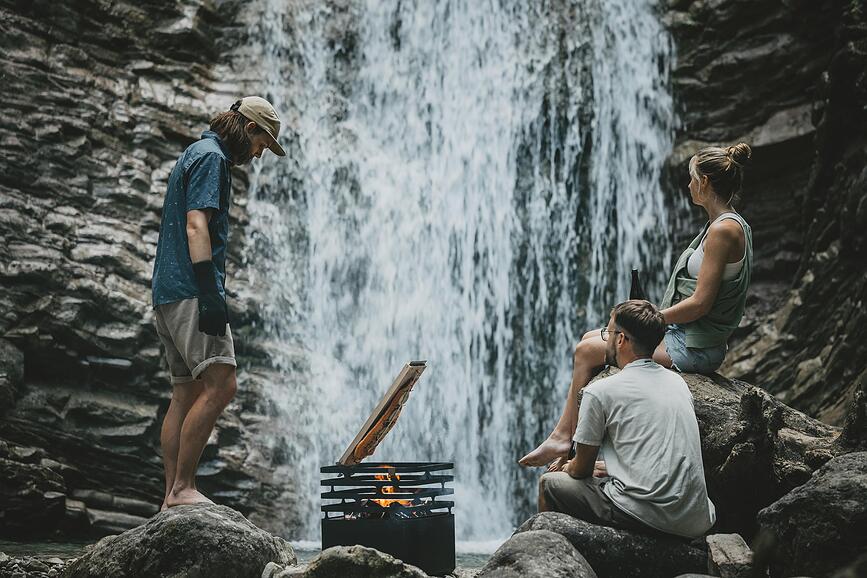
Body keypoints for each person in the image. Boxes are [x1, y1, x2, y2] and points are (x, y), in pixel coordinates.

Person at [520, 142, 753, 468]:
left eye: (692, 178)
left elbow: (701, 303)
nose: (688, 185)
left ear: (705, 183)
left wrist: (650, 318)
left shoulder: (725, 230)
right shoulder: (723, 225)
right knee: (590, 338)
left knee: (587, 351)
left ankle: (567, 442)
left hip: (695, 346)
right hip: (687, 336)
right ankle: (565, 437)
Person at [151, 96, 286, 508]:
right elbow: (196, 224)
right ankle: (182, 489)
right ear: (248, 129)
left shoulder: (195, 151)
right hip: (192, 290)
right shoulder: (213, 158)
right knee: (223, 383)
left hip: (168, 292)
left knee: (185, 393)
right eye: (263, 143)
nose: (260, 153)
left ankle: (170, 498)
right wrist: (210, 293)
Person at [538, 300, 716, 539]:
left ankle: (552, 556)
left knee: (549, 483)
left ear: (621, 340)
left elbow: (581, 471)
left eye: (608, 332)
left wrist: (567, 465)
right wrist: (610, 467)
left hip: (649, 515)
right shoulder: (678, 383)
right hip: (696, 518)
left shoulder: (600, 391)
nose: (606, 338)